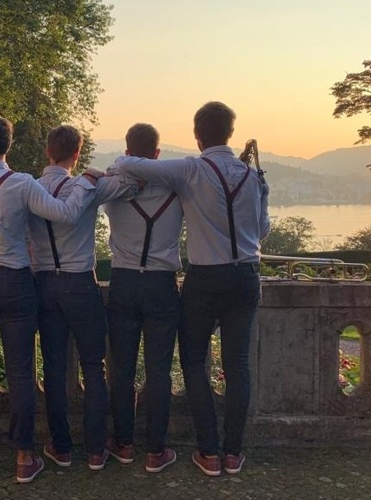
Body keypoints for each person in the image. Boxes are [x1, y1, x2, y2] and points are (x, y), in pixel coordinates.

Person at [113, 102, 270, 476]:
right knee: (238, 365)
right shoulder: (254, 178)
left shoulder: (191, 170)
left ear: (197, 136)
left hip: (205, 279)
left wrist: (118, 163)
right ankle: (233, 453)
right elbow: (262, 230)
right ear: (230, 132)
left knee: (194, 362)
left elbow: (130, 165)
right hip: (246, 276)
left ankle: (209, 452)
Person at [0, 115, 98, 484]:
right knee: (21, 371)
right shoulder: (23, 183)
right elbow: (63, 214)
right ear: (8, 145)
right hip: (16, 282)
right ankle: (24, 457)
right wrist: (87, 183)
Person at [25, 125, 137, 471]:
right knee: (93, 365)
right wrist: (105, 171)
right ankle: (95, 450)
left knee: (54, 367)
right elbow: (132, 182)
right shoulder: (87, 187)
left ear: (48, 151)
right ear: (77, 154)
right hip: (80, 283)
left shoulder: (29, 188)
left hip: (44, 284)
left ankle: (61, 447)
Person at [103, 123, 183, 473]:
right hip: (161, 283)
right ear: (157, 154)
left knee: (121, 368)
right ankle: (155, 450)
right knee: (159, 370)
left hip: (123, 281)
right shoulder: (176, 190)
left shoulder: (114, 190)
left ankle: (123, 444)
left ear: (126, 150)